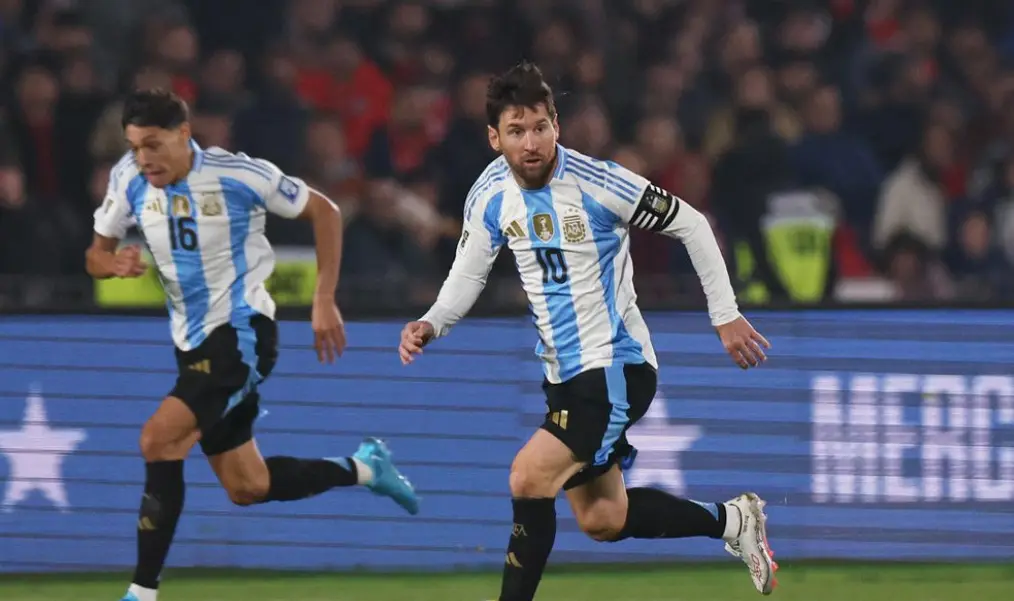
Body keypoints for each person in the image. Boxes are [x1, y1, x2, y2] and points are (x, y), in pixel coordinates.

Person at [398, 63, 777, 600]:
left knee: (528, 476)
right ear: (494, 138)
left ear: (557, 125)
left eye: (540, 127)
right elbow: (469, 272)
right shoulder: (489, 193)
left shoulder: (598, 183)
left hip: (615, 368)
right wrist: (432, 321)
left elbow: (691, 223)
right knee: (603, 518)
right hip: (564, 377)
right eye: (516, 131)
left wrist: (725, 313)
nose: (531, 142)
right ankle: (734, 521)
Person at [86, 89, 420, 601]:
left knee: (158, 440)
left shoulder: (237, 175)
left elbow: (326, 211)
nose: (143, 158)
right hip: (191, 345)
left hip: (241, 336)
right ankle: (366, 467)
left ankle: (141, 592)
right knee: (249, 486)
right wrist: (113, 264)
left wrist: (323, 299)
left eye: (152, 144)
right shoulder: (128, 178)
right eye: (134, 147)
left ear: (183, 134)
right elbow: (95, 255)